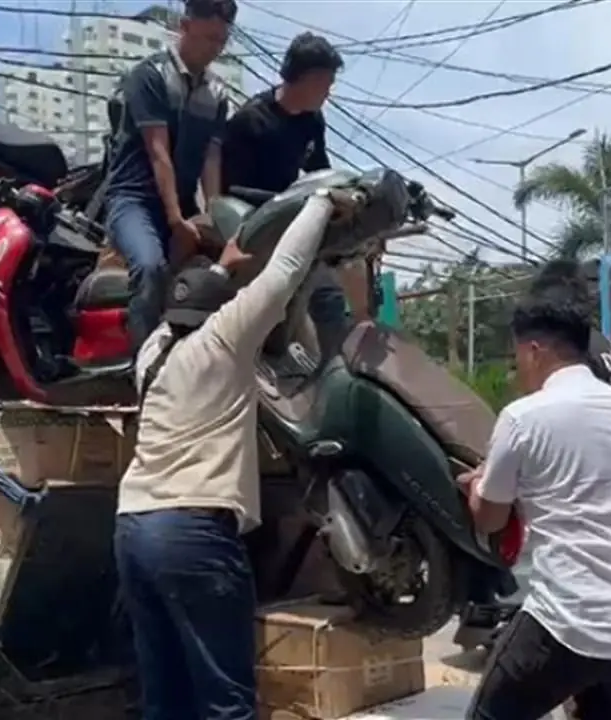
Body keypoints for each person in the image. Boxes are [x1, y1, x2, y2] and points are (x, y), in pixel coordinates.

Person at [114, 190, 344, 719]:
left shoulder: (152, 352)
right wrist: (322, 203)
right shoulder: (224, 339)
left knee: (165, 696)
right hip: (193, 532)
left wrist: (219, 268)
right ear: (219, 310)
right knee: (226, 701)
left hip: (132, 531)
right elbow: (285, 270)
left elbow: (198, 299)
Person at [462, 260, 611, 720]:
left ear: (533, 350)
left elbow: (489, 518)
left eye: (516, 359)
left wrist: (476, 486)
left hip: (570, 622)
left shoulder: (525, 416)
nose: (517, 370)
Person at [103, 0, 235, 354]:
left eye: (221, 41)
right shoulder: (149, 76)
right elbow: (158, 152)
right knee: (150, 267)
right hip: (132, 200)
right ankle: (143, 367)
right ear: (185, 26)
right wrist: (176, 220)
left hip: (182, 203)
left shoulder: (217, 94)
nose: (215, 48)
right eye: (209, 38)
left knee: (221, 274)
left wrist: (212, 215)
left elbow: (212, 158)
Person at [220, 32, 362, 356]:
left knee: (328, 296)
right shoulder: (249, 121)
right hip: (256, 228)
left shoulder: (313, 121)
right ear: (308, 79)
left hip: (294, 223)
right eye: (326, 82)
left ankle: (329, 376)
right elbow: (231, 191)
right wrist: (285, 204)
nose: (329, 92)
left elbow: (320, 172)